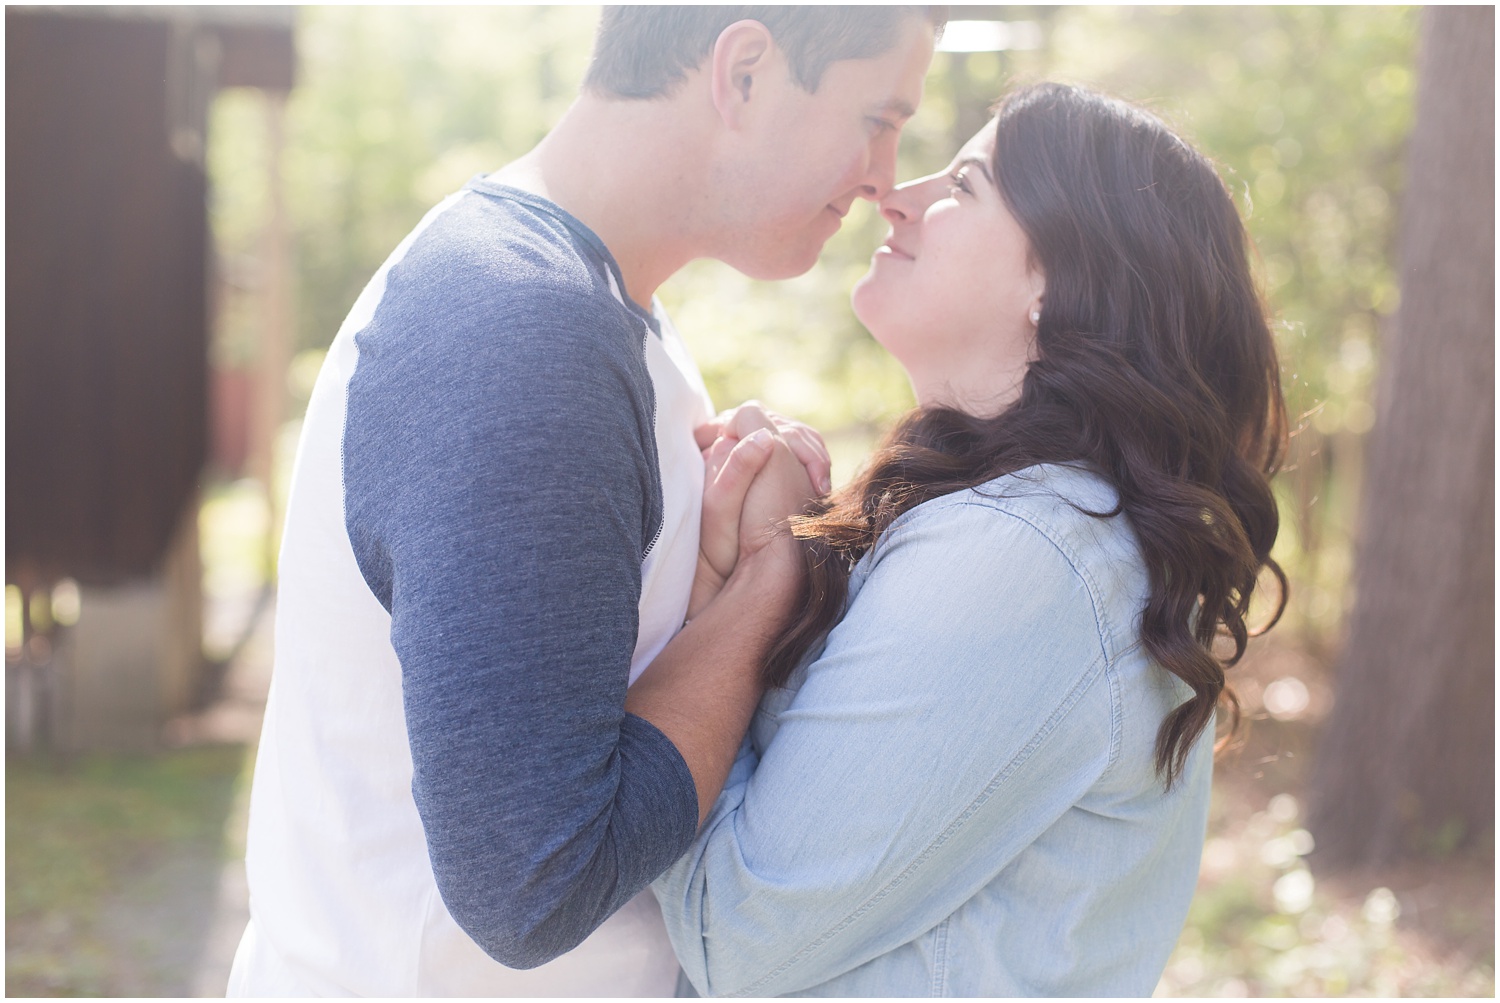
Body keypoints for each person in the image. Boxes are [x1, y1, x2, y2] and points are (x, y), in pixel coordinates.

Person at [227, 7, 942, 997]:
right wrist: (782, 565)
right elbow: (535, 881)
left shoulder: (592, 306)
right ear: (741, 73)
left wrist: (717, 566)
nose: (883, 173)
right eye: (877, 116)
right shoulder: (523, 331)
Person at [653, 82, 1288, 997]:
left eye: (964, 185)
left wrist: (747, 580)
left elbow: (734, 936)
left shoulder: (1028, 555)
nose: (895, 193)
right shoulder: (1031, 530)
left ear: (1059, 281)